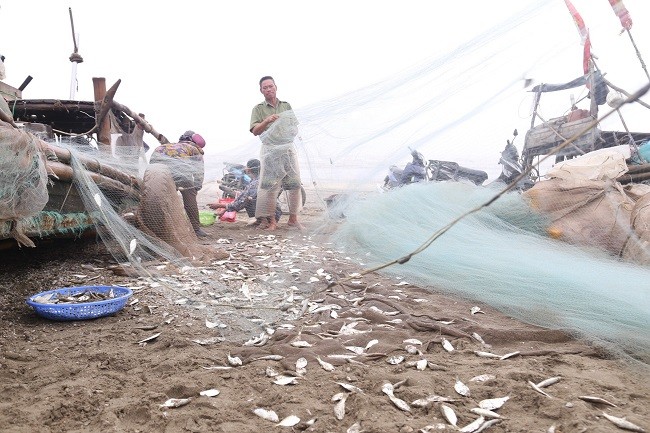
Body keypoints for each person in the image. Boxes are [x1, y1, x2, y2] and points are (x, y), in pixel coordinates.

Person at [249, 76, 303, 230]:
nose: (268, 89)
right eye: (265, 87)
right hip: (270, 152)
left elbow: (294, 126)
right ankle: (272, 221)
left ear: (276, 87)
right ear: (261, 91)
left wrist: (289, 134)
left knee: (294, 183)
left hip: (287, 149)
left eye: (270, 86)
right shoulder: (258, 109)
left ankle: (293, 219)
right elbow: (255, 131)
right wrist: (266, 121)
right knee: (270, 186)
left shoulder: (286, 105)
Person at [149, 130, 208, 237]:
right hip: (181, 173)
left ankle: (160, 225)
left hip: (157, 170)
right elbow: (199, 169)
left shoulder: (166, 146)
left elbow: (152, 164)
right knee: (190, 195)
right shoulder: (193, 149)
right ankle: (195, 229)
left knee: (163, 197)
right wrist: (197, 185)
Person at [208, 158, 282, 225]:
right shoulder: (256, 180)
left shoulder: (255, 183)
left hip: (272, 214)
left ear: (249, 169)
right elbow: (241, 197)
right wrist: (225, 209)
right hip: (274, 211)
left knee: (248, 199)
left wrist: (220, 205)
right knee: (246, 197)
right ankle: (261, 220)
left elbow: (240, 203)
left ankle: (264, 221)